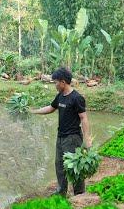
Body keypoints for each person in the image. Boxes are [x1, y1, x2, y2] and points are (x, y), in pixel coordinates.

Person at [31, 67, 92, 196]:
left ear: (63, 82)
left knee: (75, 167)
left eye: (56, 82)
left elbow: (84, 118)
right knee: (59, 165)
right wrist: (34, 111)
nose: (55, 85)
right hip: (61, 137)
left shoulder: (77, 98)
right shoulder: (60, 96)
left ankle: (79, 194)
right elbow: (51, 108)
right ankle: (61, 191)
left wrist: (87, 139)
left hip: (73, 138)